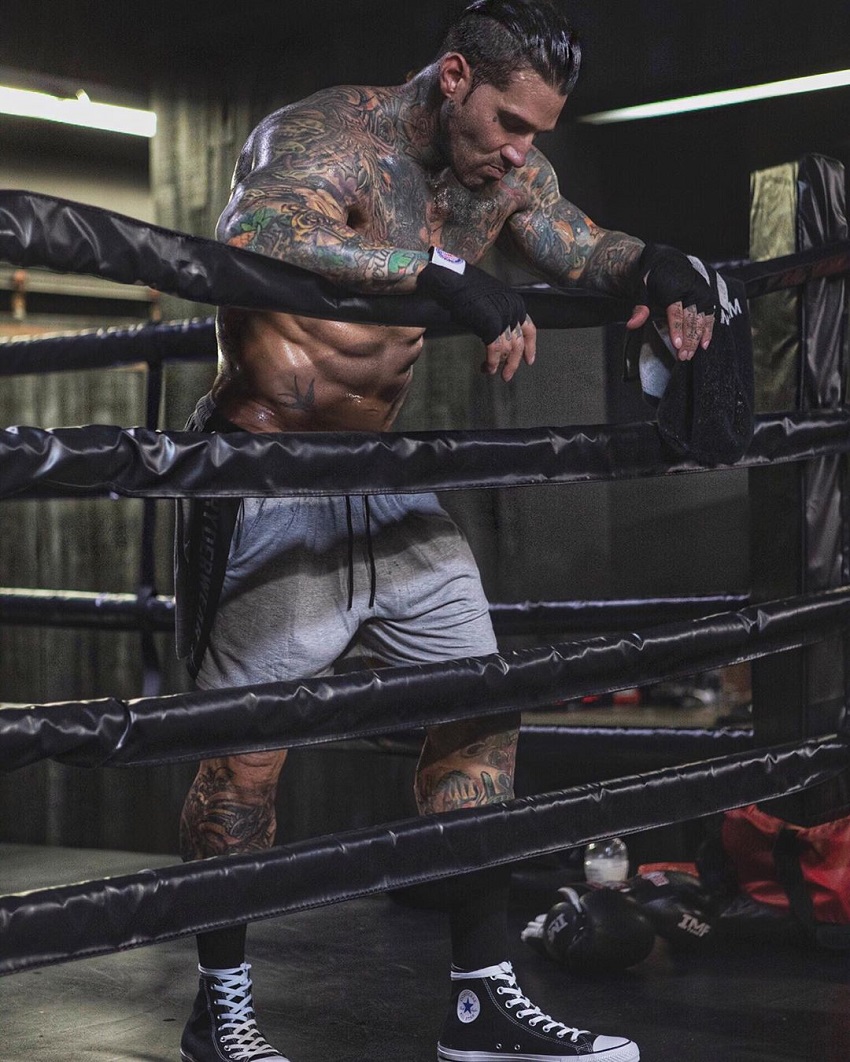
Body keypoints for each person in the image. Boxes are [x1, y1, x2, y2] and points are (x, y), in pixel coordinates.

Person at [174, 2, 715, 1060]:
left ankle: (480, 1003)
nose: (521, 150)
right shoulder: (327, 136)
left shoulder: (501, 174)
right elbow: (257, 235)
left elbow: (577, 247)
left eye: (538, 135)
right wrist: (433, 273)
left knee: (480, 709)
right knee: (243, 765)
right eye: (509, 121)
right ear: (455, 76)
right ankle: (219, 1010)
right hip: (272, 471)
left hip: (387, 483)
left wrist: (658, 264)